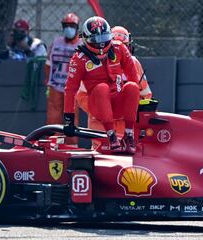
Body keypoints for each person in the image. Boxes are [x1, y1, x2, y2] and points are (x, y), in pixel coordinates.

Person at [63, 16, 140, 154]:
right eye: (96, 40)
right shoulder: (79, 59)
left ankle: (129, 134)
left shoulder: (119, 48)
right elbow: (70, 89)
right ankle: (111, 136)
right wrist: (69, 119)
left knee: (132, 86)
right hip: (97, 107)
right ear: (85, 39)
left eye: (104, 38)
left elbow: (134, 78)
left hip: (118, 103)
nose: (101, 45)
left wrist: (138, 107)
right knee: (102, 88)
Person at [76, 25, 153, 142]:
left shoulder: (134, 64)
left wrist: (130, 109)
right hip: (100, 124)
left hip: (125, 123)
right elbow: (81, 96)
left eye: (124, 47)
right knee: (101, 153)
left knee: (125, 155)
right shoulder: (93, 62)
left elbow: (145, 94)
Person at [45, 13, 82, 145]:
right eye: (66, 26)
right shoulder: (56, 42)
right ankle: (54, 145)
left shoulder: (82, 45)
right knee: (53, 119)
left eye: (71, 26)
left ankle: (71, 145)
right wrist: (49, 84)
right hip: (56, 86)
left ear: (77, 27)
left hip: (73, 89)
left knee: (71, 119)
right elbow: (48, 65)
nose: (68, 28)